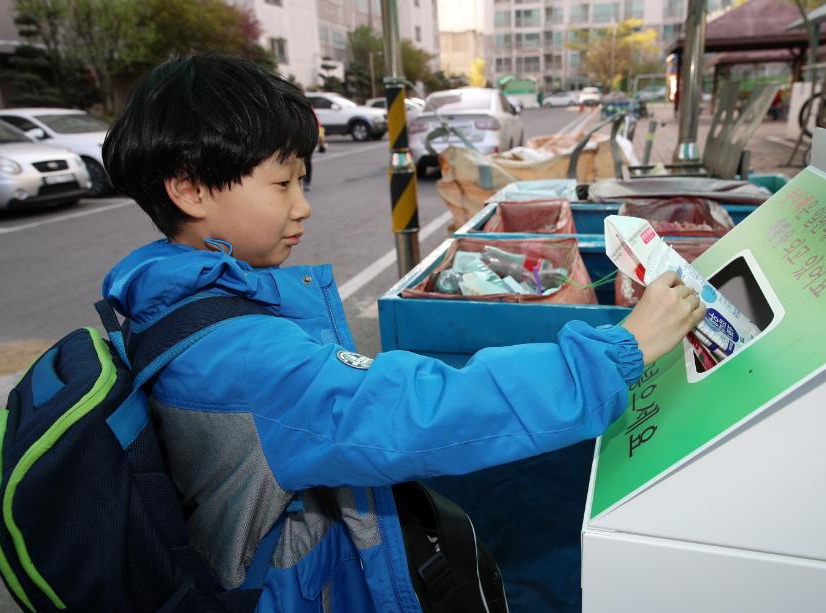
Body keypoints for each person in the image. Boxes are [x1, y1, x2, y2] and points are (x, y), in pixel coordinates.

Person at [101, 53, 705, 613]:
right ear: (190, 188)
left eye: (303, 181)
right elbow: (423, 407)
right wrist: (621, 350)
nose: (303, 205)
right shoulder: (240, 355)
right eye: (283, 183)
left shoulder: (186, 299)